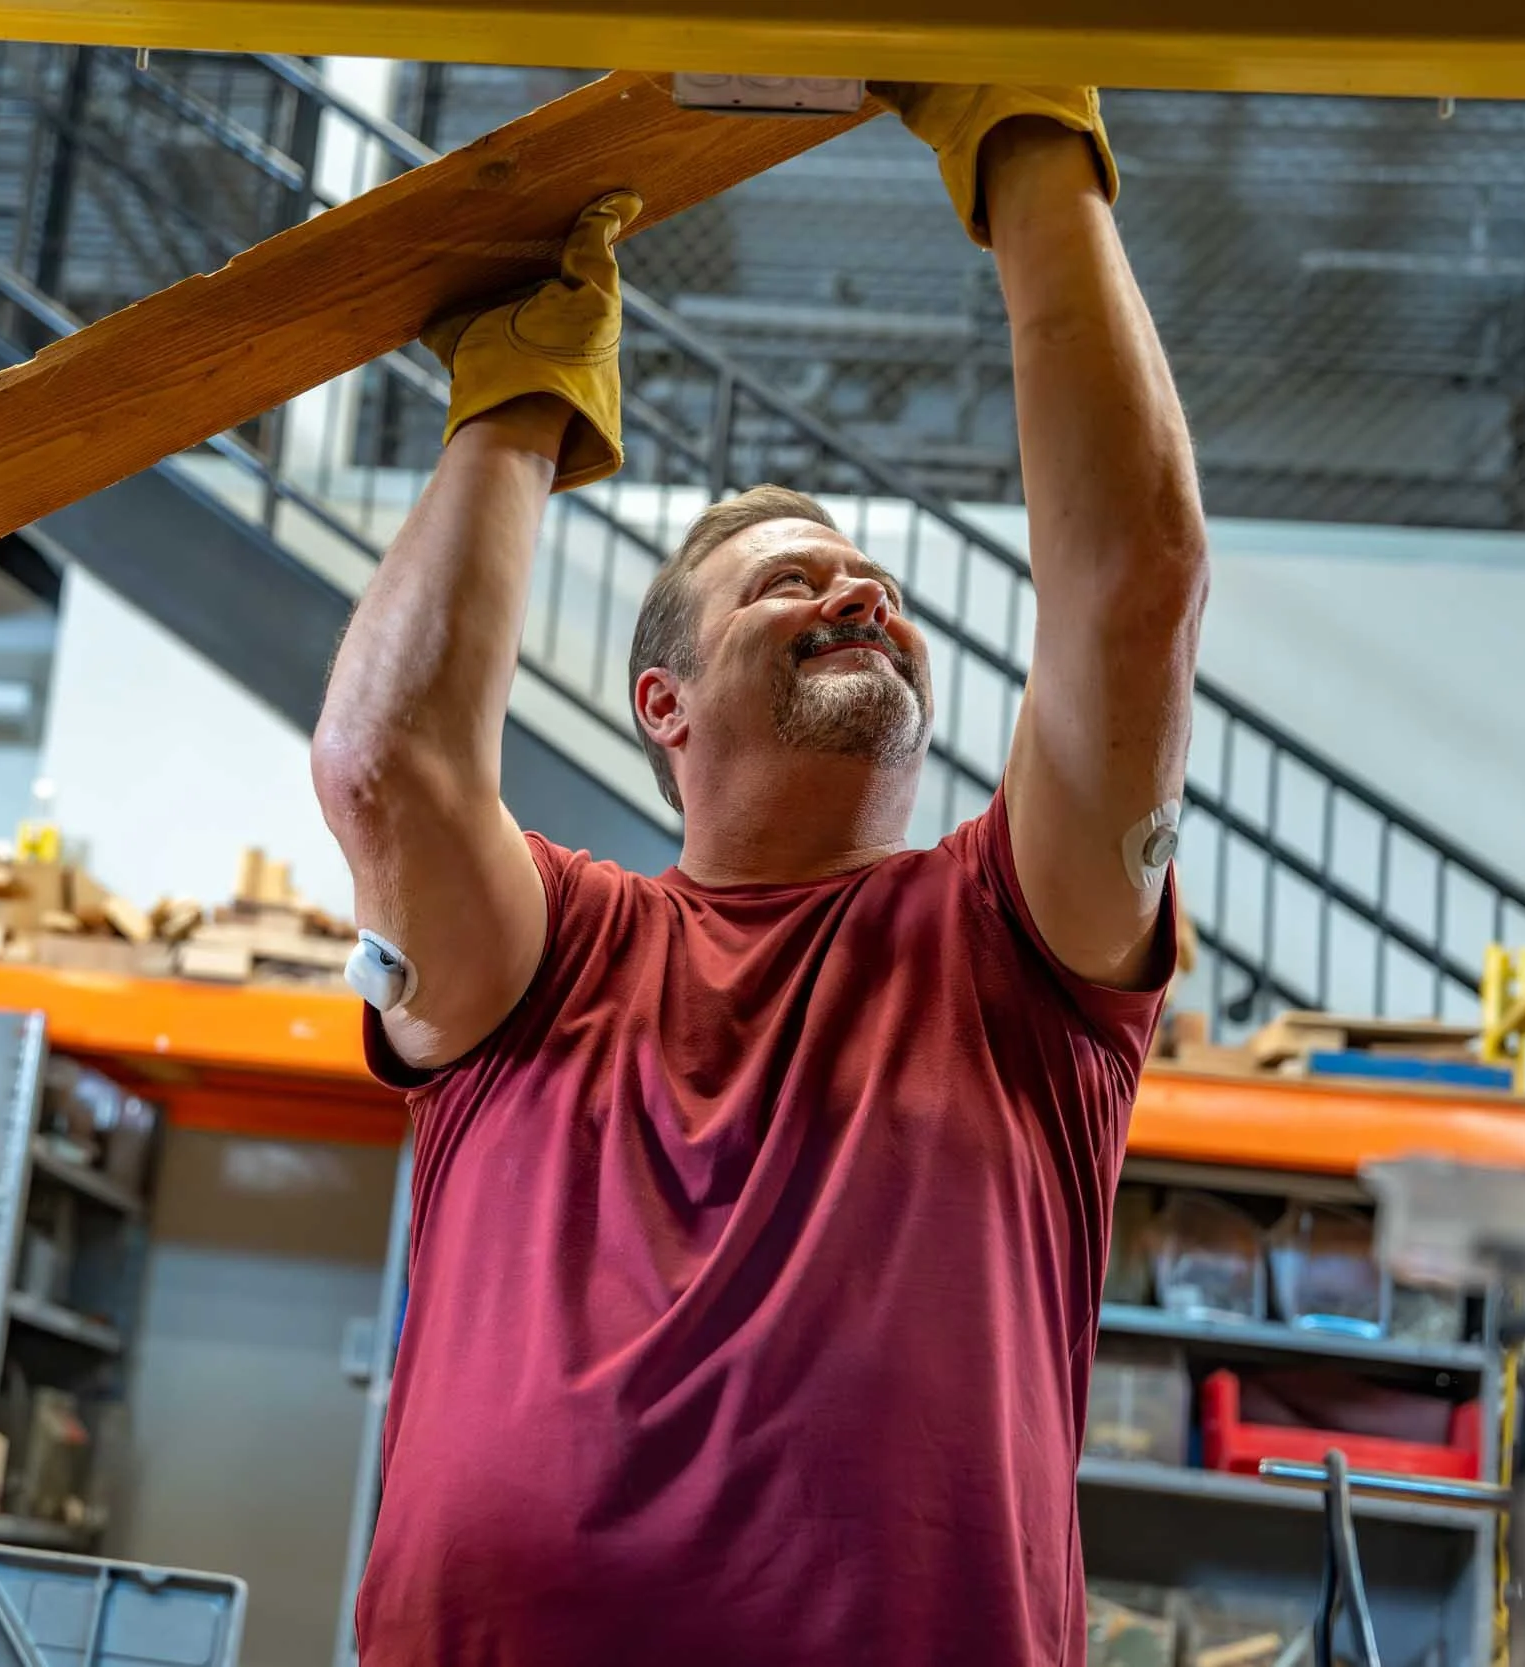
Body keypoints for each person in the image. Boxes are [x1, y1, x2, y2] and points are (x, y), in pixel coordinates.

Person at [312, 81, 1207, 1667]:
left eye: (873, 584)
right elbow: (386, 763)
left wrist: (1024, 137)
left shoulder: (1014, 948)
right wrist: (519, 394)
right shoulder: (557, 951)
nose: (859, 593)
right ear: (661, 704)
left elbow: (1134, 585)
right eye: (790, 581)